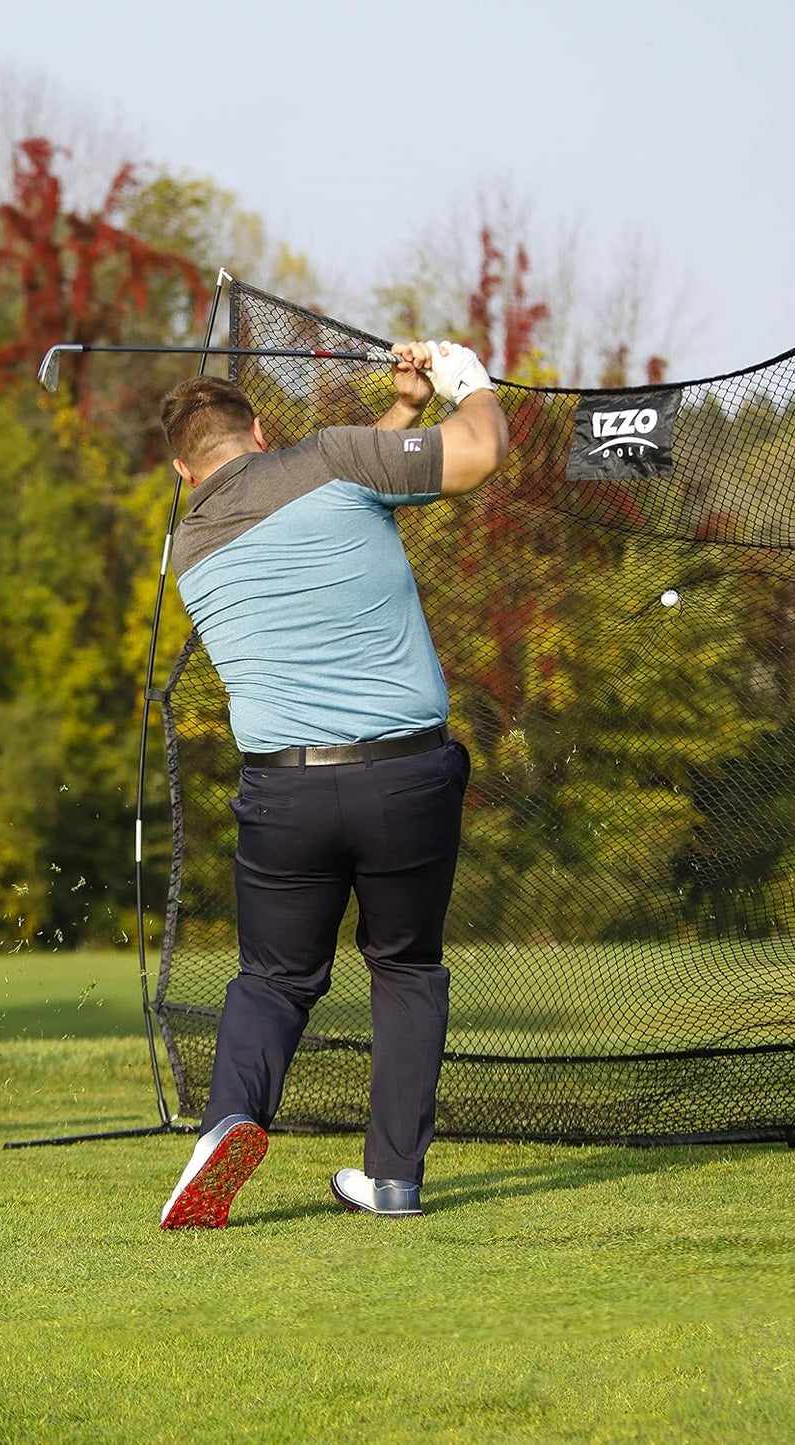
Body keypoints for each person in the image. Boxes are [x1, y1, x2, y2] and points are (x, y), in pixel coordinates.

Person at [157, 339, 510, 1229]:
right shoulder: (330, 458)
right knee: (406, 971)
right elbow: (475, 456)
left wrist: (398, 413)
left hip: (286, 798)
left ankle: (229, 1119)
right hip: (406, 782)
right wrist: (464, 381)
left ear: (179, 468)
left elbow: (337, 483)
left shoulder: (186, 545)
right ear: (260, 429)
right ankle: (392, 1178)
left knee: (273, 979)